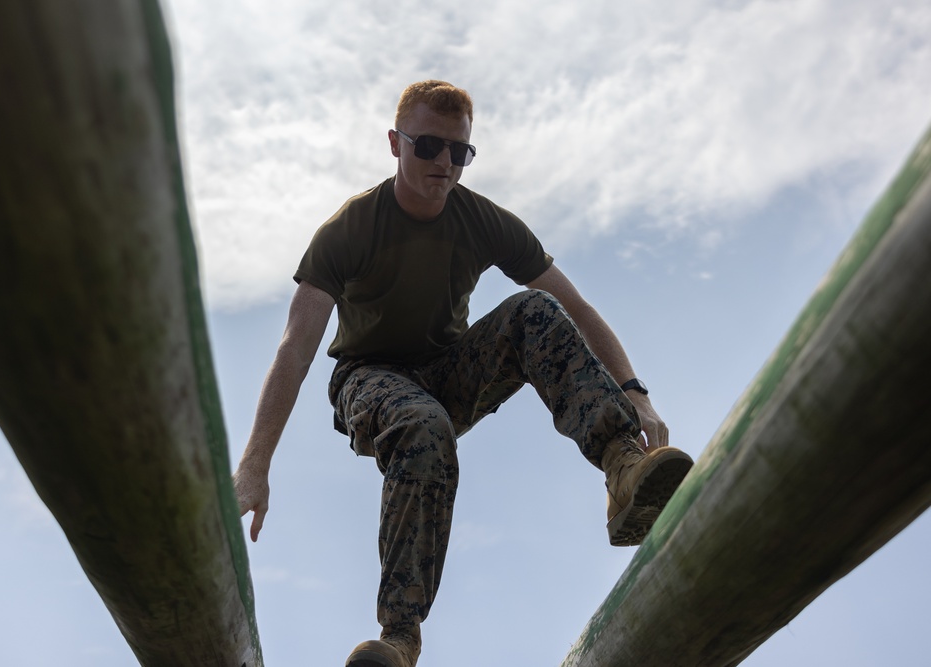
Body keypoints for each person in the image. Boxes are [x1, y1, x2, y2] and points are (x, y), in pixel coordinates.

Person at [232, 80, 694, 667]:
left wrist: (635, 395)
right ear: (396, 144)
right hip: (368, 376)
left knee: (535, 311)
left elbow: (577, 309)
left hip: (450, 373)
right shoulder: (349, 230)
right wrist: (254, 465)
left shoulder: (485, 222)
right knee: (421, 424)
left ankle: (622, 466)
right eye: (429, 147)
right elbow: (296, 348)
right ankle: (401, 635)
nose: (445, 164)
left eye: (460, 152)